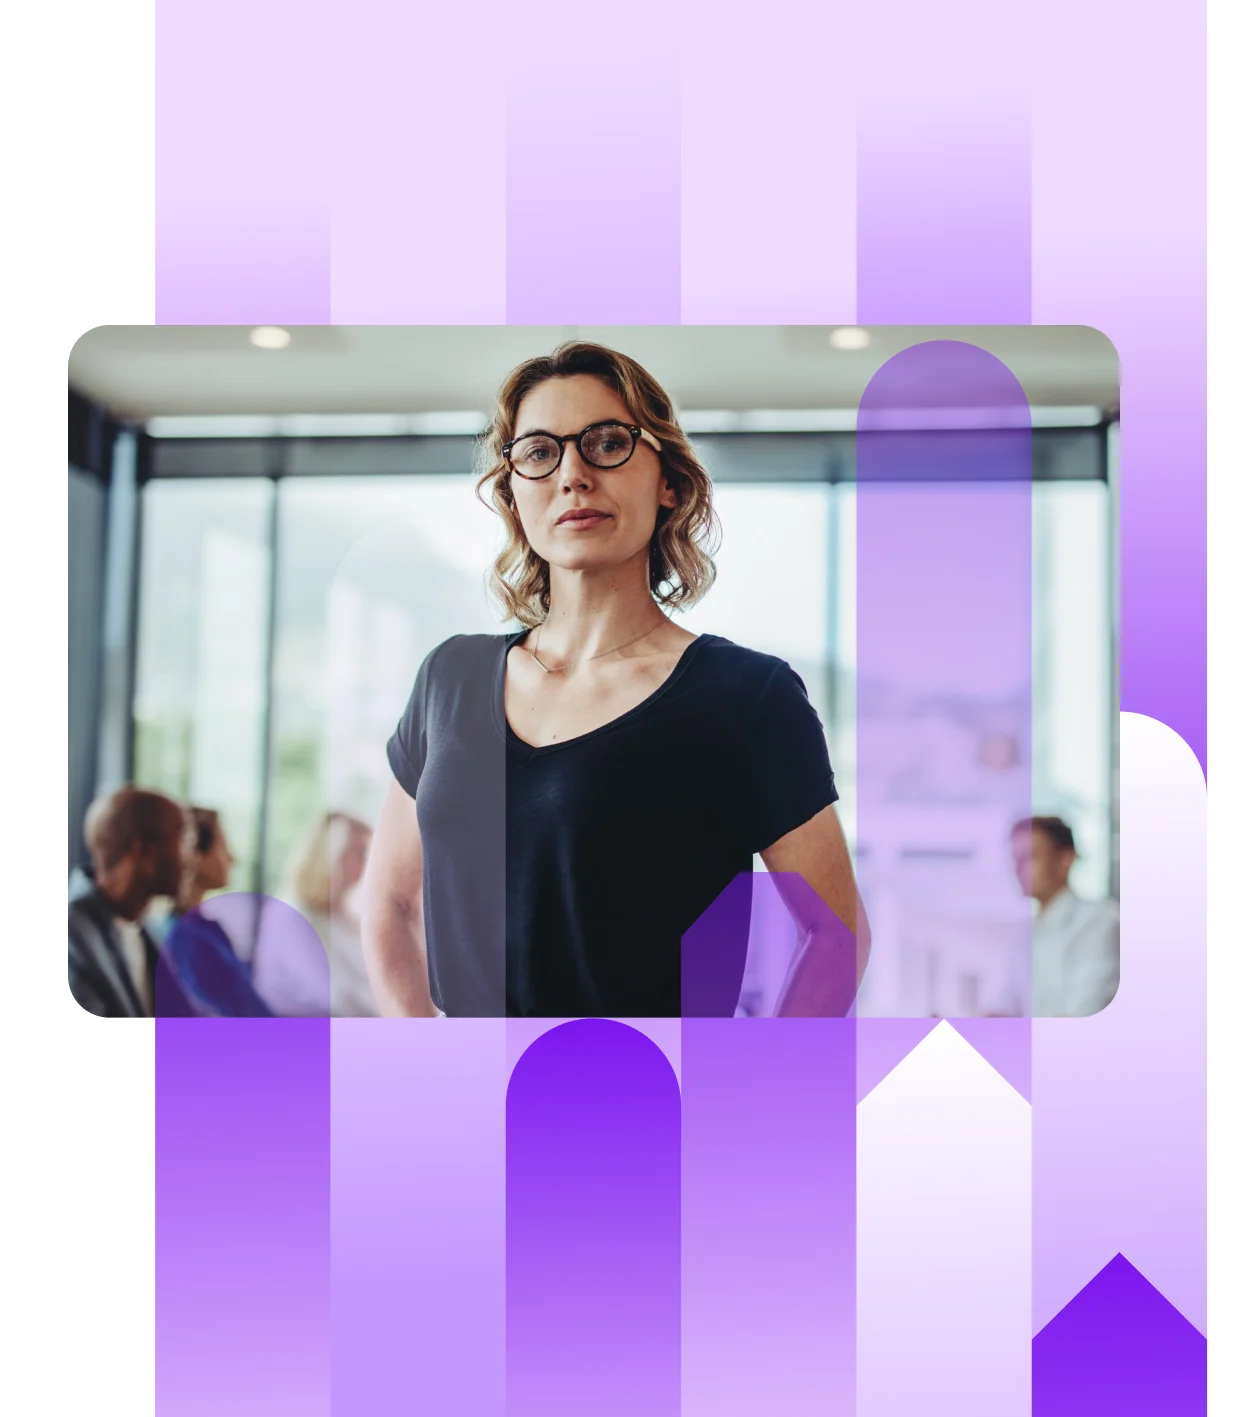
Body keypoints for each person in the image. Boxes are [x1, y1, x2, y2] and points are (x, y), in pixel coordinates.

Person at [362, 340, 870, 1019]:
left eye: (606, 443)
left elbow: (836, 933)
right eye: (539, 452)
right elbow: (390, 903)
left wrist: (752, 1094)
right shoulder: (448, 677)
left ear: (668, 480)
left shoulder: (746, 696)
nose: (572, 474)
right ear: (514, 490)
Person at [65, 786, 187, 1023]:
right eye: (182, 839)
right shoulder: (72, 934)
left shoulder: (146, 932)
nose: (190, 857)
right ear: (141, 850)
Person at [155, 808, 274, 1018]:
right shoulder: (184, 939)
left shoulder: (207, 928)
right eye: (223, 846)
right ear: (195, 855)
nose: (231, 857)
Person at [997, 815, 1119, 1017]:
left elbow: (1080, 1015)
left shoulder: (1101, 922)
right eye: (1015, 859)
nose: (1017, 869)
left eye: (1029, 857)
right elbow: (1003, 1010)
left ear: (1065, 860)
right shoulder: (1024, 932)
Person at [275, 810, 379, 1018]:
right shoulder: (293, 918)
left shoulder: (348, 918)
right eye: (358, 851)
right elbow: (336, 1000)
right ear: (332, 855)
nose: (367, 862)